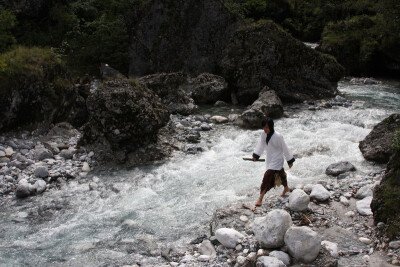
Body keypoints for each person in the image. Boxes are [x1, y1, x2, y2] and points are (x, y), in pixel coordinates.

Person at [252, 118, 295, 206]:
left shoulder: (278, 136)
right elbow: (261, 145)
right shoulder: (263, 134)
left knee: (267, 176)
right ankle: (286, 188)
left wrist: (289, 160)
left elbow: (285, 148)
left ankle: (260, 198)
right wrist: (256, 156)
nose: (265, 129)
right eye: (264, 128)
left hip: (278, 159)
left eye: (267, 128)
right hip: (270, 158)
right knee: (280, 173)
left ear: (271, 127)